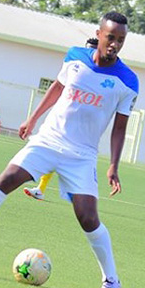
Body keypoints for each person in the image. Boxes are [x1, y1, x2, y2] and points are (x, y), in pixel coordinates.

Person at [0, 12, 138, 288]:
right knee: (7, 178)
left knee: (87, 217)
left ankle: (111, 281)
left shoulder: (128, 81)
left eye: (121, 40)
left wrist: (114, 166)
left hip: (81, 155)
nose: (115, 44)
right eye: (111, 37)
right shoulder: (75, 57)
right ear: (100, 34)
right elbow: (57, 87)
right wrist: (33, 119)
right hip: (48, 139)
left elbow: (120, 128)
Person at [24, 37, 100, 201]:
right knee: (51, 153)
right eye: (86, 49)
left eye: (92, 49)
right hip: (60, 125)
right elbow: (58, 87)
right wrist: (33, 118)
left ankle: (77, 192)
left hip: (82, 136)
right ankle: (41, 188)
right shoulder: (75, 67)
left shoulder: (101, 76)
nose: (88, 53)